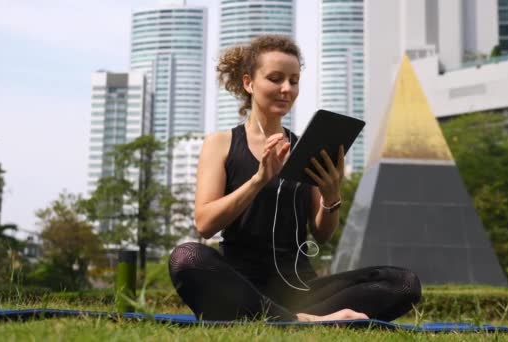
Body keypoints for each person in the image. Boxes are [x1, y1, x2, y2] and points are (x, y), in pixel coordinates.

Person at [168, 35, 421, 322]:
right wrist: (258, 180)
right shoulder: (221, 143)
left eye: (294, 80)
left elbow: (322, 234)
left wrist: (331, 194)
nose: (286, 89)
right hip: (241, 284)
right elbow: (205, 223)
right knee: (186, 257)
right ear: (249, 83)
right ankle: (302, 321)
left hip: (301, 287)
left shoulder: (306, 147)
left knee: (404, 283)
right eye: (275, 79)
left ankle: (283, 316)